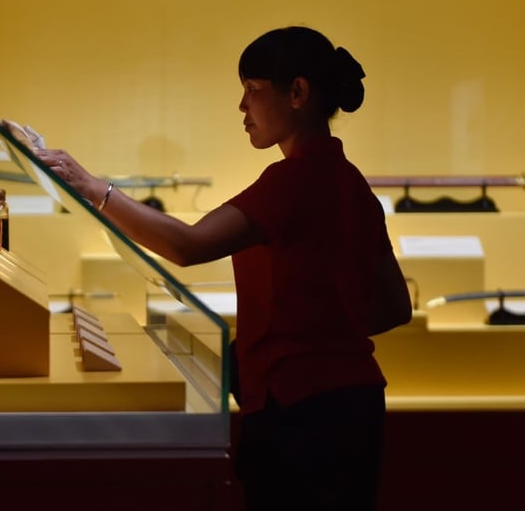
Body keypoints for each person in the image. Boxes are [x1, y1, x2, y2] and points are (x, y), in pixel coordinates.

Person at [32, 25, 412, 510]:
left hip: (298, 409)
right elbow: (394, 305)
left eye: (252, 89)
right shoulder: (351, 181)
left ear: (297, 92)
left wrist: (93, 188)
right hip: (356, 403)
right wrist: (318, 327)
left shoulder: (292, 180)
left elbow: (188, 245)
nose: (242, 106)